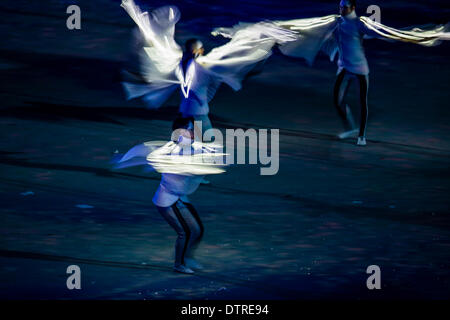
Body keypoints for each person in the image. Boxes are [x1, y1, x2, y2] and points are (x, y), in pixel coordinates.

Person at [251, 0, 450, 146]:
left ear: (352, 8)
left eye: (345, 7)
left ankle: (361, 135)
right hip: (344, 67)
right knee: (337, 100)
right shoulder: (336, 21)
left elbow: (388, 32)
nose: (341, 9)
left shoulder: (360, 23)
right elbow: (308, 25)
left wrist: (421, 37)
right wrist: (277, 28)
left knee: (362, 101)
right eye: (340, 6)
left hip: (360, 68)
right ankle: (351, 128)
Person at [120, 0, 297, 142]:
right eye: (202, 49)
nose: (203, 51)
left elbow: (152, 37)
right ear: (198, 51)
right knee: (205, 142)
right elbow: (231, 64)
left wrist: (131, 7)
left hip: (185, 112)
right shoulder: (203, 66)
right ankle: (185, 165)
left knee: (195, 142)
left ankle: (184, 161)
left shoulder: (177, 63)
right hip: (196, 113)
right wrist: (259, 52)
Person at [115, 116, 227, 274]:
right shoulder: (170, 150)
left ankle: (187, 258)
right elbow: (160, 159)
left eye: (193, 129)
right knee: (185, 232)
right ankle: (179, 264)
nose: (193, 132)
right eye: (189, 129)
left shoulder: (192, 147)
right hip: (167, 200)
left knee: (197, 230)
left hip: (180, 197)